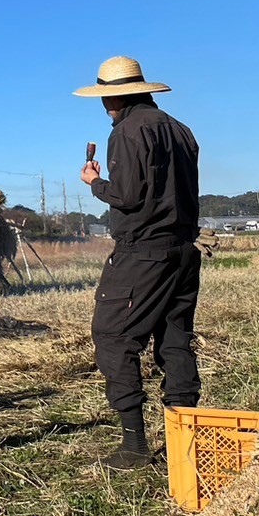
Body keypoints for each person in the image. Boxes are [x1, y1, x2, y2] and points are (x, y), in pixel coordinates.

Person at [76, 56, 201, 469]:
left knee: (112, 337)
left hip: (142, 252)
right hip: (183, 251)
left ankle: (134, 446)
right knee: (174, 340)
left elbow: (128, 196)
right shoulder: (181, 131)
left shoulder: (127, 132)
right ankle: (186, 442)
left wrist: (96, 183)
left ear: (113, 98)